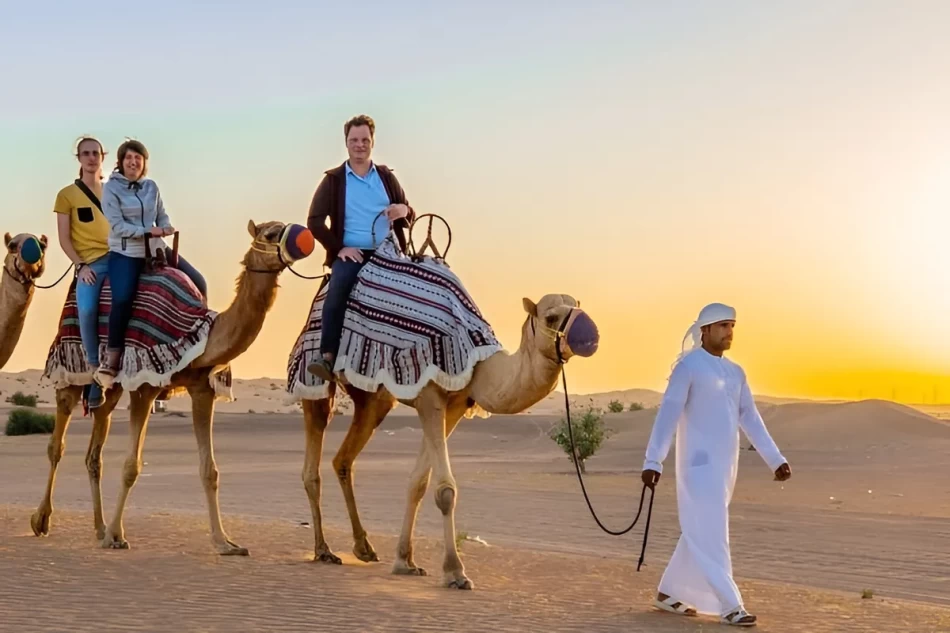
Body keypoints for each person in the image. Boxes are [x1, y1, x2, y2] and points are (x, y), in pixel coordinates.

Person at [641, 302, 791, 627]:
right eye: (722, 326)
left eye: (732, 325)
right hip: (696, 468)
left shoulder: (736, 373)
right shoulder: (689, 368)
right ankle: (730, 605)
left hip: (725, 469)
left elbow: (749, 417)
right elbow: (668, 413)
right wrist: (653, 460)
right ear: (704, 330)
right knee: (713, 532)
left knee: (700, 529)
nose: (729, 332)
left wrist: (775, 459)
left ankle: (669, 592)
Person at [305, 114, 415, 381]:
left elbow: (410, 215)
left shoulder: (386, 177)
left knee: (423, 290)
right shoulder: (334, 180)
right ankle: (327, 357)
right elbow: (314, 221)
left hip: (388, 252)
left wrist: (404, 209)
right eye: (354, 140)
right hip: (352, 253)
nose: (360, 145)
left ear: (372, 142)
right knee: (337, 291)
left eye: (365, 139)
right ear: (346, 143)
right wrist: (339, 248)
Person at [94, 139, 207, 389]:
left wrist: (166, 227)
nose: (133, 162)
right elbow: (118, 226)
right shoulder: (111, 189)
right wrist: (150, 231)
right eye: (128, 158)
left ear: (144, 163)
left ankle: (195, 348)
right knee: (122, 298)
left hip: (156, 249)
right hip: (127, 252)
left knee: (199, 282)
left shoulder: (151, 187)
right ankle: (112, 358)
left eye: (138, 158)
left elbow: (161, 213)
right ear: (121, 162)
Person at [53, 137, 111, 408]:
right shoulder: (67, 195)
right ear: (78, 158)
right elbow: (64, 238)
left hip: (123, 256)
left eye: (95, 153)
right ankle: (94, 371)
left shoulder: (114, 191)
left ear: (103, 156)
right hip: (92, 263)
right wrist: (80, 265)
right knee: (86, 308)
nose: (91, 158)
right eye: (85, 153)